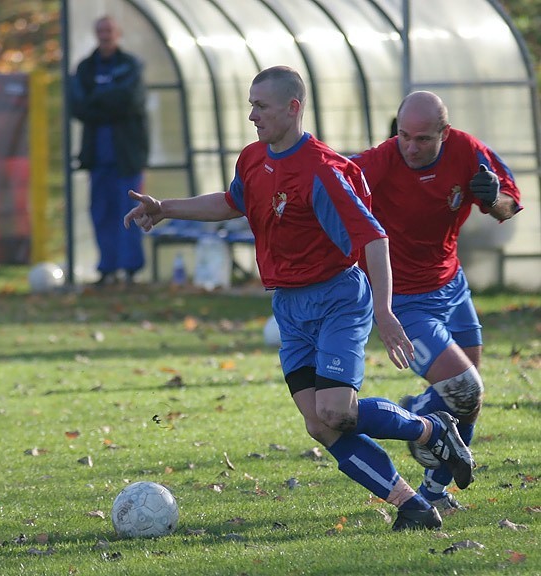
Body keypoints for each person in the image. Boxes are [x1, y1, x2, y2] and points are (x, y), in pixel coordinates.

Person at [123, 66, 475, 531]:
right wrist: (164, 208)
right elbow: (232, 203)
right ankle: (412, 507)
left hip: (337, 300)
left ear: (293, 107)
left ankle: (432, 430)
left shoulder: (322, 171)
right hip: (289, 307)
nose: (252, 115)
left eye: (261, 105)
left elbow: (374, 239)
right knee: (321, 425)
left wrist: (386, 312)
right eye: (250, 104)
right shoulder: (251, 159)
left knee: (336, 411)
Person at [351, 91, 522, 512]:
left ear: (445, 133)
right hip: (403, 296)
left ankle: (434, 494)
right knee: (462, 388)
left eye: (423, 139)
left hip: (451, 285)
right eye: (404, 135)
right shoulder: (378, 162)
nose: (411, 146)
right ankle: (419, 416)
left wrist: (491, 196)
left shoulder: (467, 151)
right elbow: (327, 189)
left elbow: (508, 206)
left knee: (469, 399)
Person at [70, 15, 149, 285]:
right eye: (100, 30)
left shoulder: (130, 66)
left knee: (130, 210)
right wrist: (110, 98)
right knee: (101, 211)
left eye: (109, 30)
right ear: (96, 33)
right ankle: (107, 268)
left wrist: (98, 100)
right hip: (98, 157)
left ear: (118, 33)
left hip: (127, 156)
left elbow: (131, 101)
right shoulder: (85, 67)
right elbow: (78, 106)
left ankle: (130, 269)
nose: (105, 35)